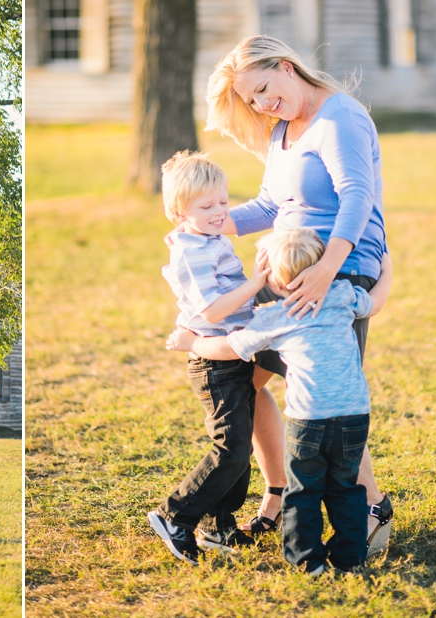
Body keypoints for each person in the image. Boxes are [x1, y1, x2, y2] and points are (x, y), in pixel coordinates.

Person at [203, 35, 393, 554]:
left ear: (286, 67)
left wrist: (328, 268)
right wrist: (212, 223)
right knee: (248, 379)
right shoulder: (284, 130)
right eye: (252, 100)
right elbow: (270, 204)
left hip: (337, 271)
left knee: (327, 394)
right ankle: (279, 492)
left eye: (263, 89)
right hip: (288, 274)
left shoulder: (340, 118)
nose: (262, 105)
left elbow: (357, 194)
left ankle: (372, 507)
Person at [168, 228, 392, 573]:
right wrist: (387, 269)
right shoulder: (344, 294)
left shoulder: (276, 315)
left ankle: (307, 560)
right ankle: (349, 560)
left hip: (309, 418)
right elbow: (375, 304)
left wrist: (191, 343)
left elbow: (229, 348)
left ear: (276, 282)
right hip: (354, 414)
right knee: (345, 487)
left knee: (303, 490)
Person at [146, 150, 273, 566]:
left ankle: (218, 527)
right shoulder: (190, 251)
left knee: (240, 446)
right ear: (179, 212)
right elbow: (213, 310)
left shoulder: (207, 237)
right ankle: (174, 515)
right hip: (214, 364)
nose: (220, 212)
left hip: (234, 355)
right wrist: (257, 283)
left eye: (223, 201)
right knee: (231, 448)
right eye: (207, 206)